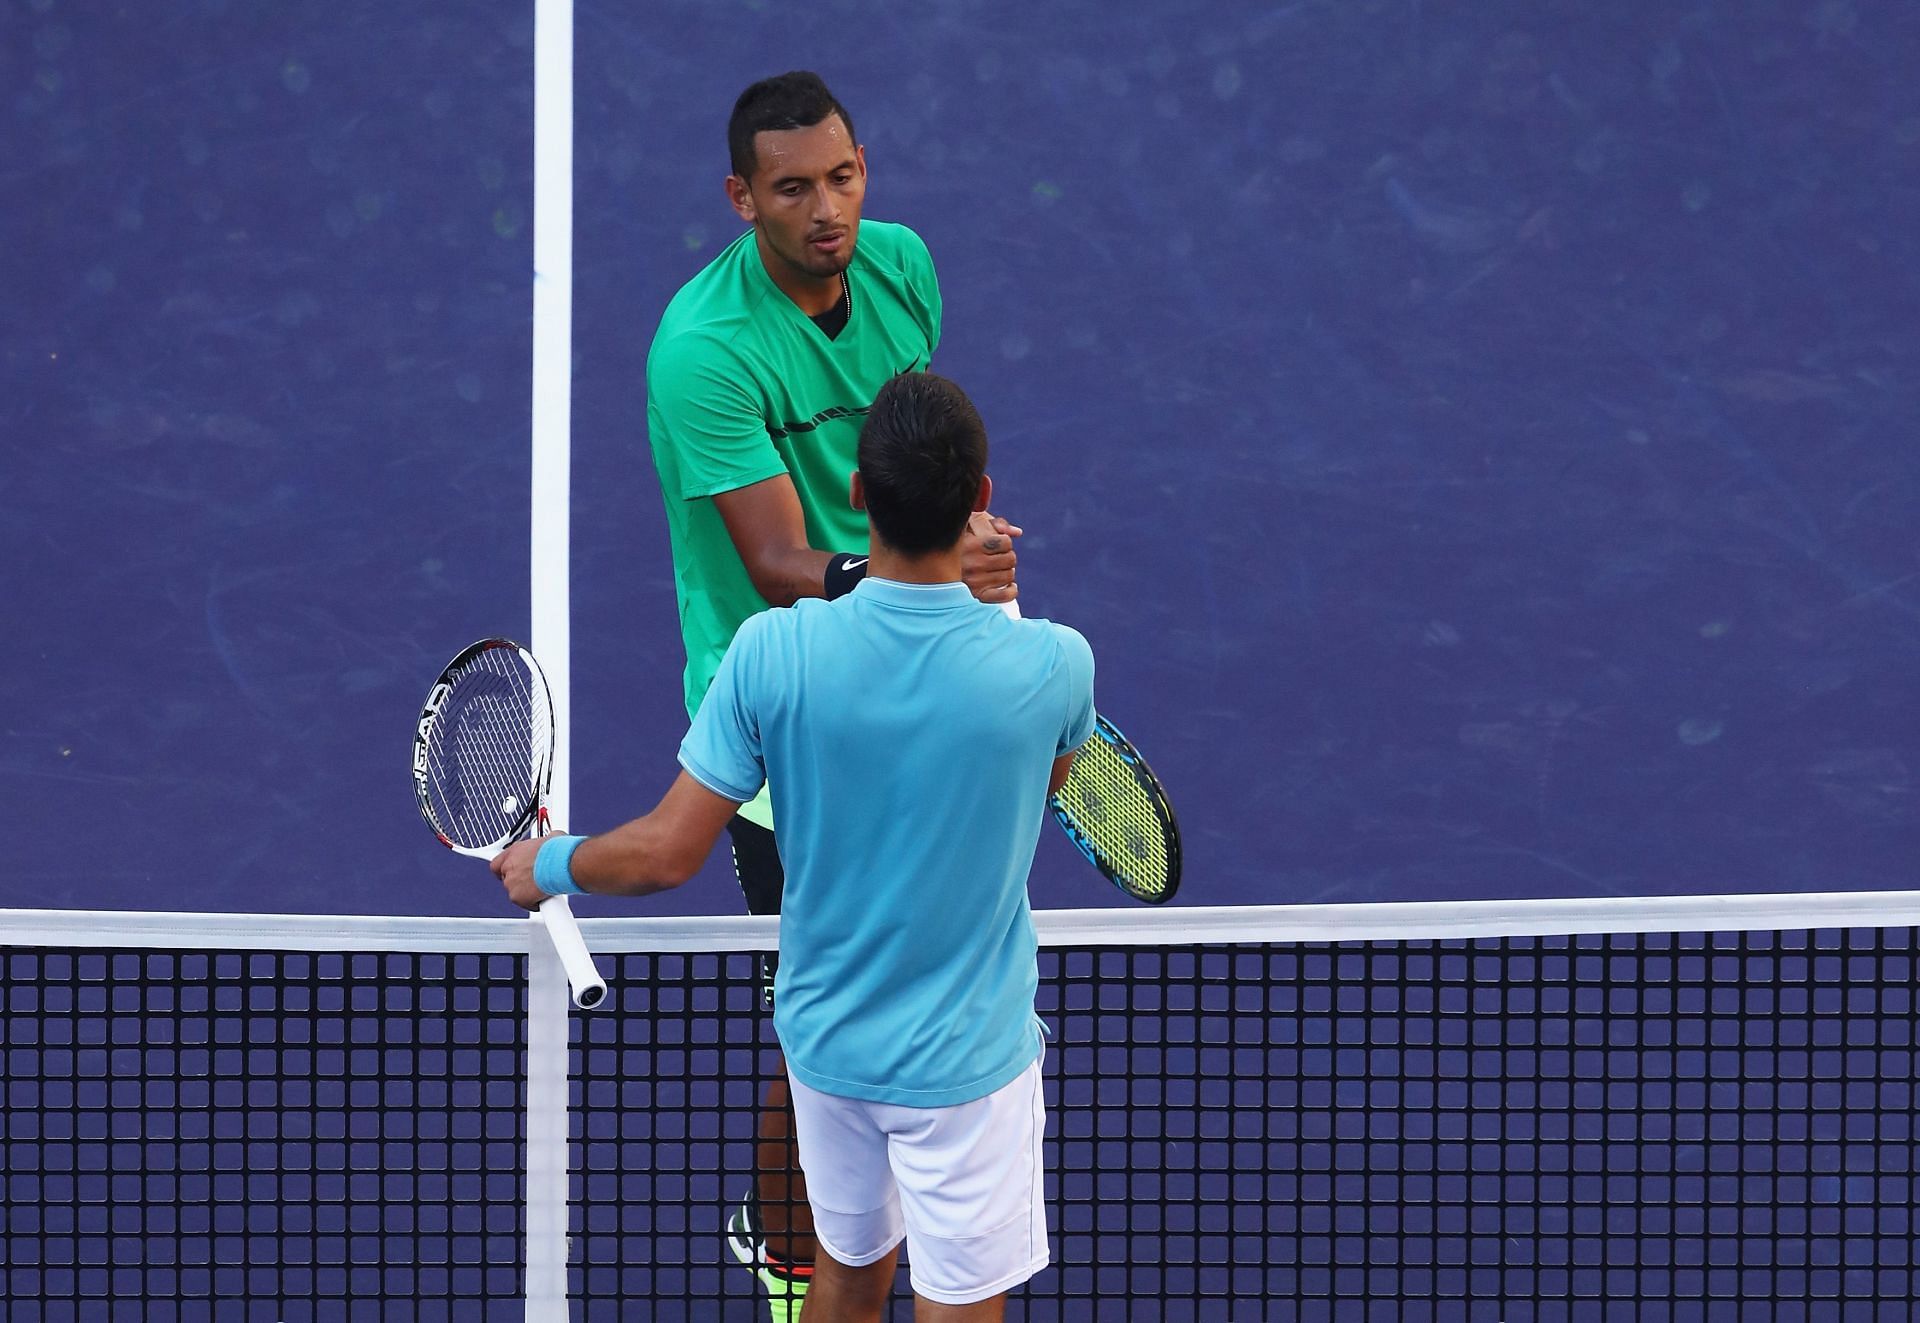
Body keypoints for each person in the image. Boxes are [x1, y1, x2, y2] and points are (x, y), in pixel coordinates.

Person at [500, 372, 1094, 1321]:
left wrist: (550, 863)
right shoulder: (1054, 664)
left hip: (828, 1049)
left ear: (857, 493)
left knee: (845, 1276)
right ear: (980, 499)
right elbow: (1036, 794)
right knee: (960, 1302)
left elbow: (663, 854)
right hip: (969, 1067)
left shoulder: (772, 653)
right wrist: (998, 614)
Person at [643, 70, 1021, 1317]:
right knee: (818, 1026)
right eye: (793, 188)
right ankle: (786, 1244)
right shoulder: (705, 352)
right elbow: (773, 561)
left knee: (884, 983)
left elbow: (930, 445)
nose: (827, 211)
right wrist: (919, 571)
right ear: (740, 196)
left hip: (909, 658)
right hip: (784, 714)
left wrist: (967, 562)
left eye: (843, 178)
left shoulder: (904, 270)